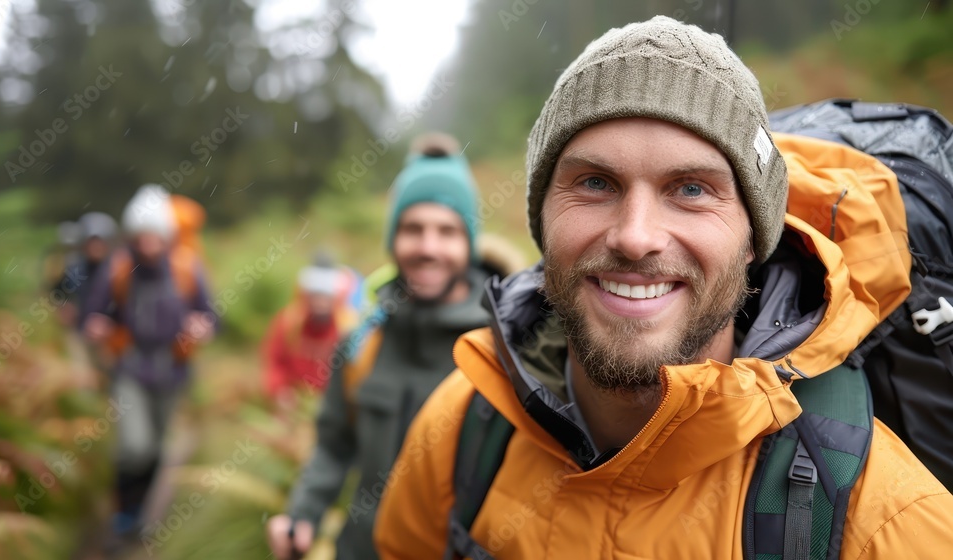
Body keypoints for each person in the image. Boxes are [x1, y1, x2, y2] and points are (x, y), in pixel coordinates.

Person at [374, 17, 953, 559]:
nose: (635, 237)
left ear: (755, 239)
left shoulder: (888, 523)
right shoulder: (464, 424)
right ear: (542, 221)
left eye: (692, 189)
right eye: (595, 182)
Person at [265, 133, 506, 559]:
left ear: (468, 242)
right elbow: (333, 444)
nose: (428, 247)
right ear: (393, 238)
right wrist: (303, 515)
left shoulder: (504, 347)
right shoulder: (363, 340)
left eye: (447, 231)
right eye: (412, 229)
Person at [82, 184, 216, 540]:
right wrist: (96, 325)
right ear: (131, 236)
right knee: (134, 446)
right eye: (141, 237)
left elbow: (210, 314)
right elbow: (93, 312)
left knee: (157, 448)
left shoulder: (187, 268)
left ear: (167, 236)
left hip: (172, 370)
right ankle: (122, 513)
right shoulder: (119, 268)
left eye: (155, 236)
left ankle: (139, 514)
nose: (148, 244)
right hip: (130, 368)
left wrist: (202, 326)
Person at [262, 252, 360, 405]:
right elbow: (275, 361)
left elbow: (356, 372)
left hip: (334, 404)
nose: (320, 303)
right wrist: (280, 389)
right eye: (315, 296)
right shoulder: (289, 322)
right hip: (294, 404)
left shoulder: (348, 326)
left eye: (325, 297)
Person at [56, 211, 119, 328]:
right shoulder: (74, 270)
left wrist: (110, 322)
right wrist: (65, 308)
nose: (95, 247)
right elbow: (60, 296)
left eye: (99, 242)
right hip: (80, 330)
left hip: (111, 335)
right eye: (91, 242)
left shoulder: (118, 272)